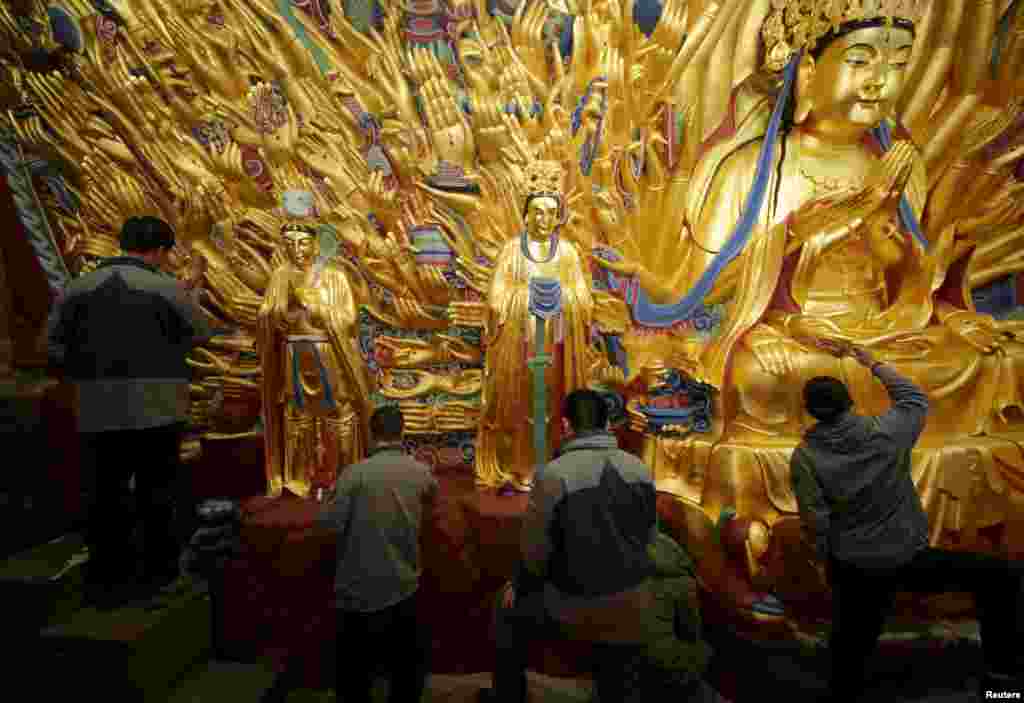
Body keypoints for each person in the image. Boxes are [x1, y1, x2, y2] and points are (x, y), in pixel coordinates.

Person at [791, 343, 1024, 702]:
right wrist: (872, 362)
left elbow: (815, 517)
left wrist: (830, 561)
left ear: (810, 412)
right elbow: (914, 398)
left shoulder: (805, 456)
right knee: (1002, 576)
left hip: (854, 564)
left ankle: (845, 690)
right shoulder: (887, 433)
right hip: (906, 556)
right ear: (850, 402)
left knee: (852, 640)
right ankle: (1001, 680)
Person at [481, 388, 724, 703]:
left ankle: (508, 696)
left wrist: (522, 584)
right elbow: (650, 539)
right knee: (621, 654)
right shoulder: (638, 468)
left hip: (575, 603)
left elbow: (535, 554)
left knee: (506, 608)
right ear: (607, 424)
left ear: (567, 426)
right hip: (634, 600)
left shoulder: (555, 475)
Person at [46, 215, 213, 609]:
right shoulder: (165, 289)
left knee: (106, 493)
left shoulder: (77, 288)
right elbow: (202, 333)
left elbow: (51, 345)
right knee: (157, 493)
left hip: (96, 409)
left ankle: (107, 580)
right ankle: (159, 577)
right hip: (157, 407)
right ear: (159, 251)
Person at [317, 405, 438, 703]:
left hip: (357, 593)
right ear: (403, 432)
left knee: (354, 677)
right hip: (403, 588)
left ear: (372, 435)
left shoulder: (352, 475)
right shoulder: (420, 473)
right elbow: (434, 499)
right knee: (405, 674)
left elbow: (330, 526)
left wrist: (327, 499)